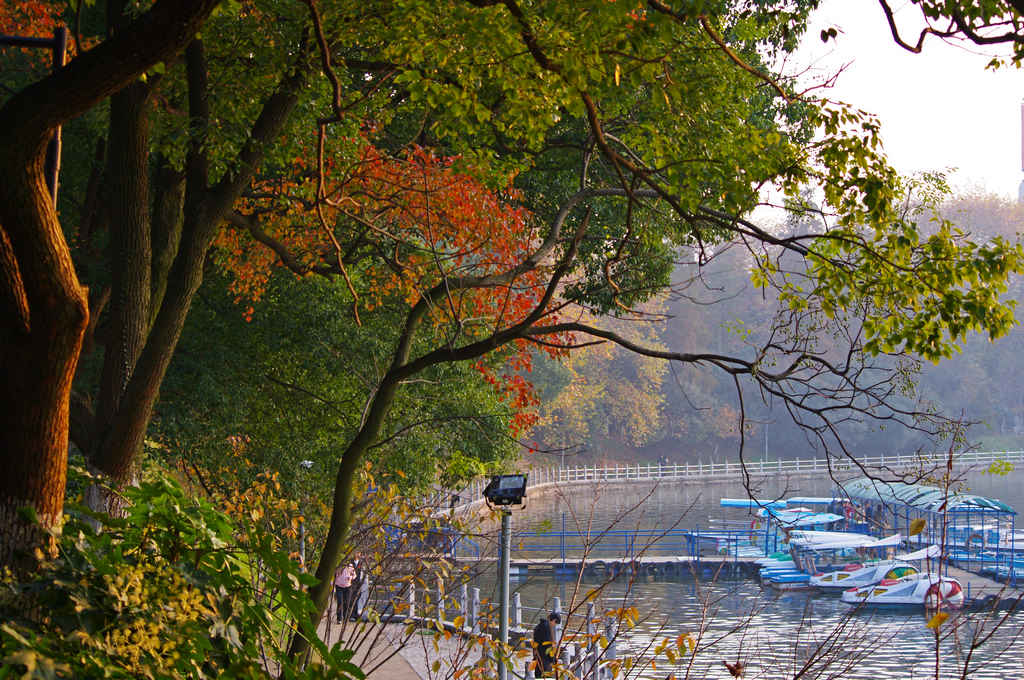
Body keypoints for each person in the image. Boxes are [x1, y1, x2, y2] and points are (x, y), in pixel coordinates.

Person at [532, 612, 560, 677]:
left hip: (538, 657)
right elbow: (548, 645)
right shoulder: (547, 628)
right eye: (555, 623)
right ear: (554, 620)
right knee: (545, 676)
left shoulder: (539, 626)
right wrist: (553, 659)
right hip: (545, 659)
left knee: (538, 675)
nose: (554, 625)